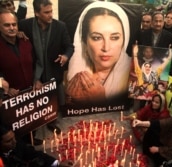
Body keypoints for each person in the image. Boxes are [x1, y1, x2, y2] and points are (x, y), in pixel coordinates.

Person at [18, 0, 74, 134]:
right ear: (37, 13)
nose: (50, 15)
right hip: (34, 71)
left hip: (53, 69)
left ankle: (52, 121)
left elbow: (69, 46)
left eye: (51, 11)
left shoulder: (60, 26)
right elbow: (12, 31)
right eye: (46, 12)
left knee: (54, 99)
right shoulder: (24, 25)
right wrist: (18, 33)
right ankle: (35, 125)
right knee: (35, 101)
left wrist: (65, 56)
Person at [66, 1, 131, 103]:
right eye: (97, 38)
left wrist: (100, 99)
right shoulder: (74, 76)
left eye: (114, 38)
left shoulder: (134, 76)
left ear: (124, 40)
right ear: (84, 42)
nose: (106, 47)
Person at [0, 9, 43, 145]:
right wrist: (6, 88)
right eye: (7, 25)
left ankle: (31, 139)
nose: (12, 28)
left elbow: (36, 62)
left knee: (31, 120)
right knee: (15, 127)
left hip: (30, 92)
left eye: (14, 24)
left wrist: (37, 79)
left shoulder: (26, 41)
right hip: (11, 97)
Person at [0, 124, 72, 167]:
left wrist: (56, 164)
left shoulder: (18, 144)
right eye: (8, 141)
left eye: (14, 137)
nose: (14, 142)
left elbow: (34, 154)